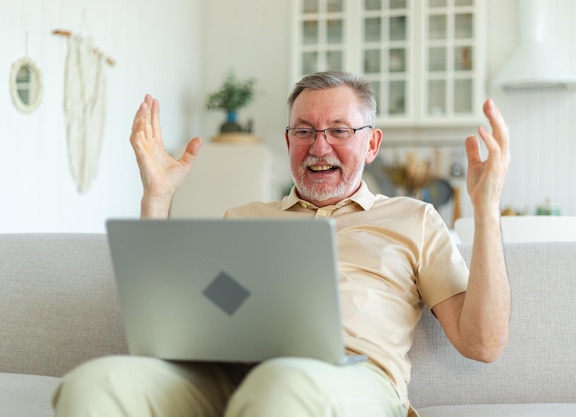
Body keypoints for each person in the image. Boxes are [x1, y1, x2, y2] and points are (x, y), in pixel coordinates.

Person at [53, 70, 511, 417]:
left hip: (351, 382)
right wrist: (158, 197)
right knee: (94, 384)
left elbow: (483, 344)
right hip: (226, 375)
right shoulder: (243, 219)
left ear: (372, 144)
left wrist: (486, 210)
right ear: (288, 140)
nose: (319, 146)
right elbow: (163, 325)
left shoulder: (413, 219)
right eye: (305, 131)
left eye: (339, 130)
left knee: (278, 385)